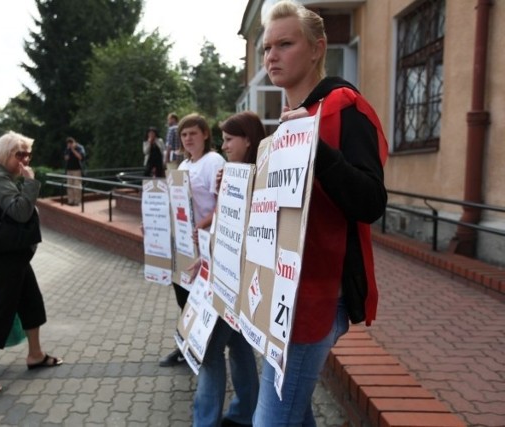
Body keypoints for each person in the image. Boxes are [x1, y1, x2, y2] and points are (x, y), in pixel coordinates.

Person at [252, 2, 388, 425]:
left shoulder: (346, 108)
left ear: (317, 49)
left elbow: (371, 202)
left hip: (318, 294)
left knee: (271, 419)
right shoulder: (286, 124)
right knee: (294, 409)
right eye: (266, 48)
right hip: (281, 294)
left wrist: (319, 152)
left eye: (285, 44)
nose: (271, 56)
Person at [0, 131, 63, 397]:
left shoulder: (4, 178)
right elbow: (20, 211)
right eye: (20, 154)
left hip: (12, 255)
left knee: (30, 300)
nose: (26, 160)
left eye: (28, 154)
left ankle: (35, 354)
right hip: (4, 258)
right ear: (6, 154)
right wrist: (31, 183)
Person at [192, 111, 265, 427]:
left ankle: (206, 422)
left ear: (248, 139)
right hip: (224, 274)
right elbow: (224, 225)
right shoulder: (235, 173)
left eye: (229, 139)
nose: (223, 146)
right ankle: (244, 412)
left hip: (237, 279)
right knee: (237, 345)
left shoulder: (262, 177)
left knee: (208, 351)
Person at [159, 113, 226, 368]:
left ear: (205, 135)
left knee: (200, 299)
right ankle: (186, 344)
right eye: (184, 134)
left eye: (193, 134)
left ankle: (201, 348)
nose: (187, 139)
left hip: (204, 244)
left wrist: (201, 225)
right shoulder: (185, 165)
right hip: (185, 245)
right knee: (183, 297)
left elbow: (223, 204)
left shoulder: (214, 162)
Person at [64, 137, 85, 206]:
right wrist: (68, 151)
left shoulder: (80, 148)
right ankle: (70, 201)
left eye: (71, 144)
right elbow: (66, 158)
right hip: (69, 170)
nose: (69, 145)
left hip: (77, 170)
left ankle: (77, 201)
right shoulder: (68, 148)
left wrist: (73, 150)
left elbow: (80, 157)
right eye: (68, 144)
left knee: (77, 186)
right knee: (69, 186)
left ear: (74, 143)